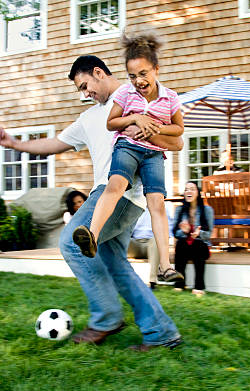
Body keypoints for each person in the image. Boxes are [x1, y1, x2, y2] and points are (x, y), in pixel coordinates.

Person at [0, 55, 183, 351]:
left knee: (71, 242)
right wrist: (15, 144)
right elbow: (55, 144)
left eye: (85, 86)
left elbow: (172, 142)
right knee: (115, 264)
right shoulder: (91, 117)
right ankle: (160, 331)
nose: (85, 94)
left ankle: (107, 318)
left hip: (119, 193)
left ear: (98, 73)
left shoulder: (139, 99)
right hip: (117, 200)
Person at [72, 31, 184, 284]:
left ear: (156, 69)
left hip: (154, 154)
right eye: (132, 76)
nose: (138, 81)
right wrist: (134, 118)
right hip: (128, 147)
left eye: (143, 74)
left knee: (157, 204)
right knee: (115, 187)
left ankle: (165, 266)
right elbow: (112, 123)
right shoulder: (125, 94)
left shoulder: (171, 98)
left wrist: (156, 127)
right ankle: (92, 235)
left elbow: (178, 130)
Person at [172, 182, 214, 296]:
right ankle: (180, 283)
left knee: (198, 245)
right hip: (185, 244)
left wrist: (199, 233)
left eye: (192, 189)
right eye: (186, 190)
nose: (188, 192)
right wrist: (184, 231)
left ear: (198, 193)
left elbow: (209, 234)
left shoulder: (207, 210)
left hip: (201, 245)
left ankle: (199, 285)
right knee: (180, 244)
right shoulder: (179, 210)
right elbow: (175, 232)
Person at [127, 208, 160, 289]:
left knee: (156, 240)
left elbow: (167, 230)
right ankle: (122, 279)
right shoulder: (133, 207)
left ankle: (152, 281)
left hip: (151, 244)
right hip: (135, 243)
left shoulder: (161, 208)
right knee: (121, 240)